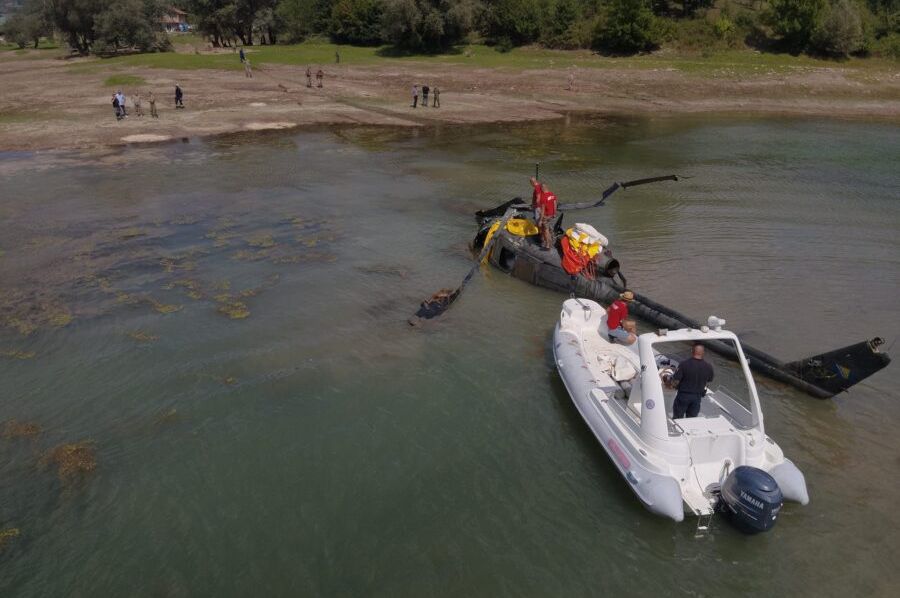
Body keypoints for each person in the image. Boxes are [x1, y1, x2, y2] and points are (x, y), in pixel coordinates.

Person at [671, 344, 715, 419]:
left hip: (683, 396)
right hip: (697, 397)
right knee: (691, 419)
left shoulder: (684, 364)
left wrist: (672, 385)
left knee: (677, 417)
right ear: (703, 353)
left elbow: (676, 381)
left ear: (692, 351)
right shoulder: (708, 367)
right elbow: (709, 381)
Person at [538, 183, 557, 250]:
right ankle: (547, 241)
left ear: (543, 188)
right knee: (546, 229)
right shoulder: (552, 194)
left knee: (546, 231)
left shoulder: (543, 197)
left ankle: (548, 245)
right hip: (551, 215)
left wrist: (540, 220)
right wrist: (555, 213)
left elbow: (542, 210)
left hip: (545, 216)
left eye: (541, 189)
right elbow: (555, 204)